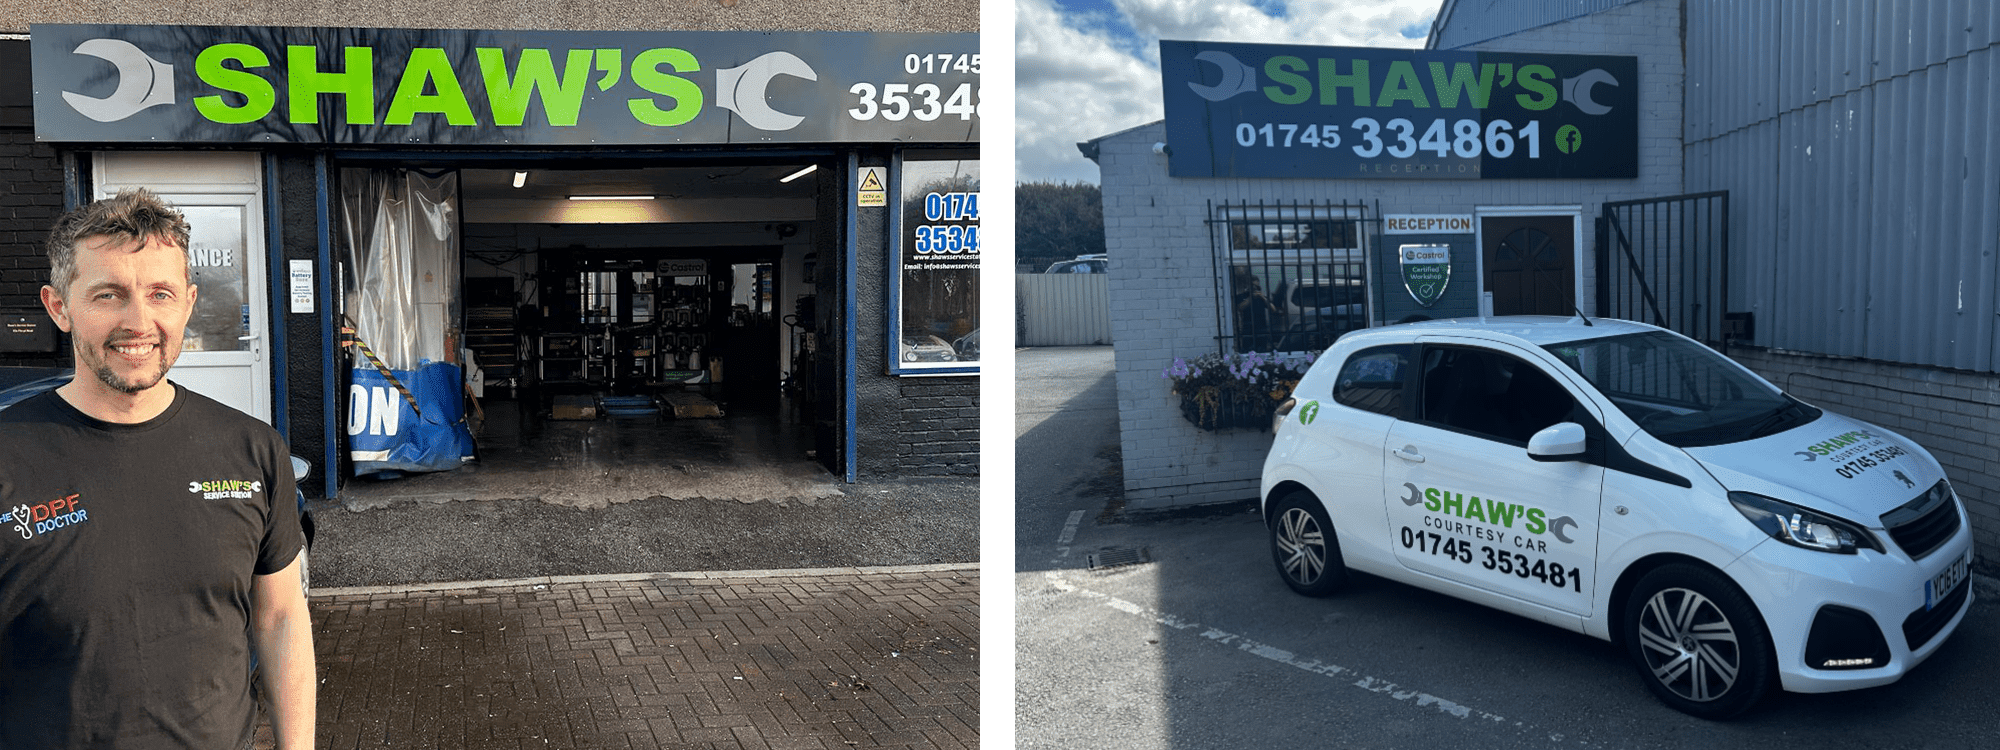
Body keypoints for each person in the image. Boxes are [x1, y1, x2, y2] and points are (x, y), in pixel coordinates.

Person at [0, 189, 316, 749]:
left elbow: (281, 619)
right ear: (59, 307)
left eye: (160, 294)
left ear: (188, 303)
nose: (138, 321)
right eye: (109, 295)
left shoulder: (254, 451)